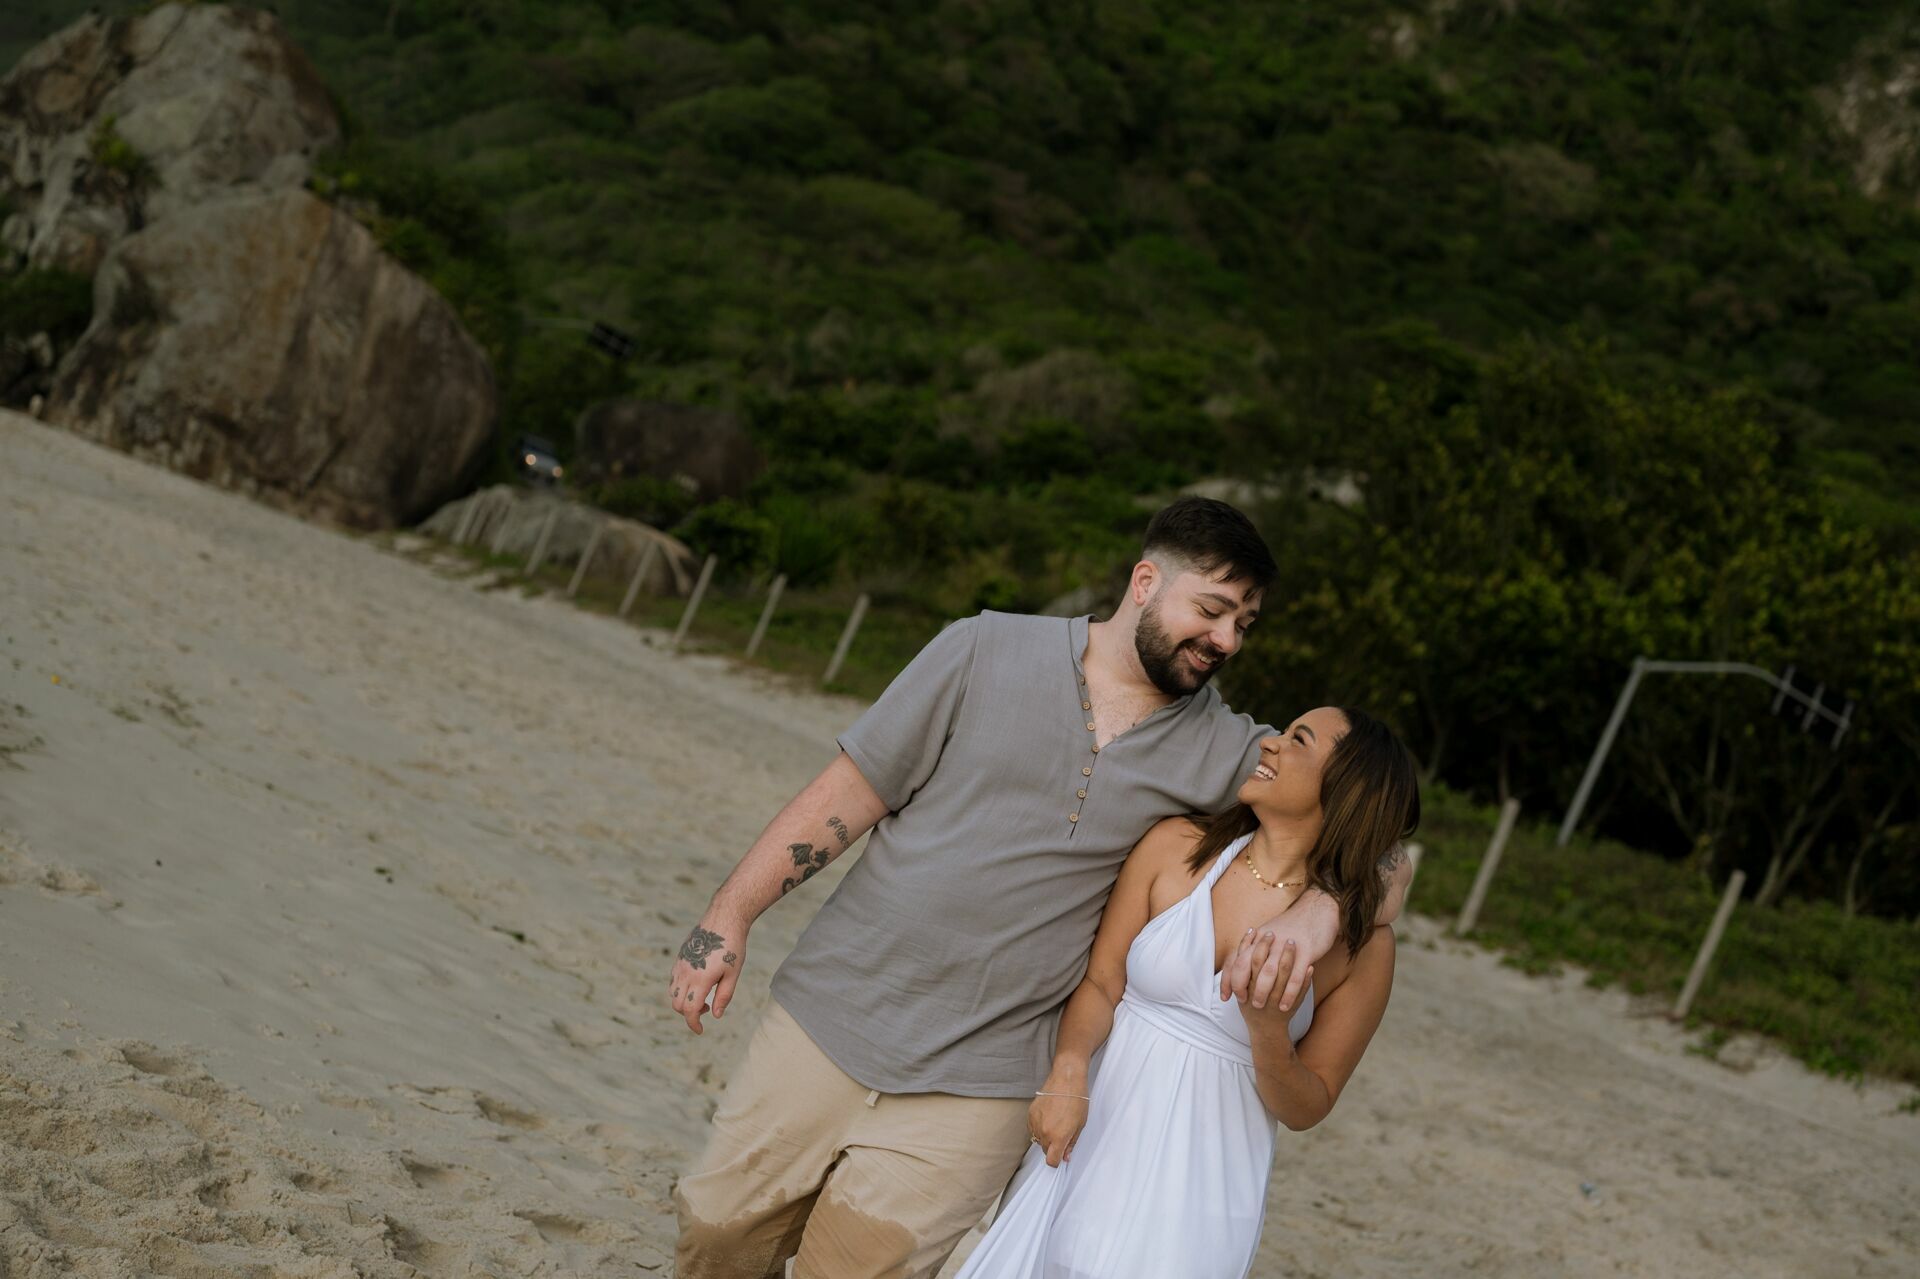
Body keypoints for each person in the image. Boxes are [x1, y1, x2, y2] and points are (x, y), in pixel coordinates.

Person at [668, 498, 1413, 1279]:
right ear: (1146, 580)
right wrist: (731, 912)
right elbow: (850, 793)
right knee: (716, 1238)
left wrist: (1319, 915)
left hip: (987, 1080)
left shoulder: (1229, 748)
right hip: (832, 1015)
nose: (1226, 639)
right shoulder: (982, 647)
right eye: (1213, 610)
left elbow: (1376, 838)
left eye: (1244, 624)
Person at [955, 706, 1418, 1278]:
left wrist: (1268, 1030)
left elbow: (1308, 1106)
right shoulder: (1175, 848)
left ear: (1349, 788)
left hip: (1204, 1189)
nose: (1270, 744)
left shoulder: (1364, 948)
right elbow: (1103, 983)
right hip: (1090, 1134)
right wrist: (1069, 1071)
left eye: (1299, 739)